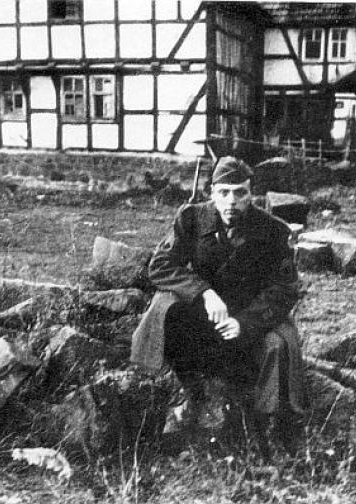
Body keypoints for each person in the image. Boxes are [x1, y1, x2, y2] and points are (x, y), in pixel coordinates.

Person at [130, 156, 307, 455]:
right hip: (203, 318)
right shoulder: (191, 219)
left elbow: (285, 288)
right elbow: (160, 265)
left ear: (253, 195)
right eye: (224, 192)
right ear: (212, 193)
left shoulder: (273, 231)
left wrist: (245, 323)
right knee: (165, 308)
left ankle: (272, 425)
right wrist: (203, 293)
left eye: (240, 192)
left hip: (248, 324)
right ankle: (182, 389)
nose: (231, 201)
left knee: (280, 343)